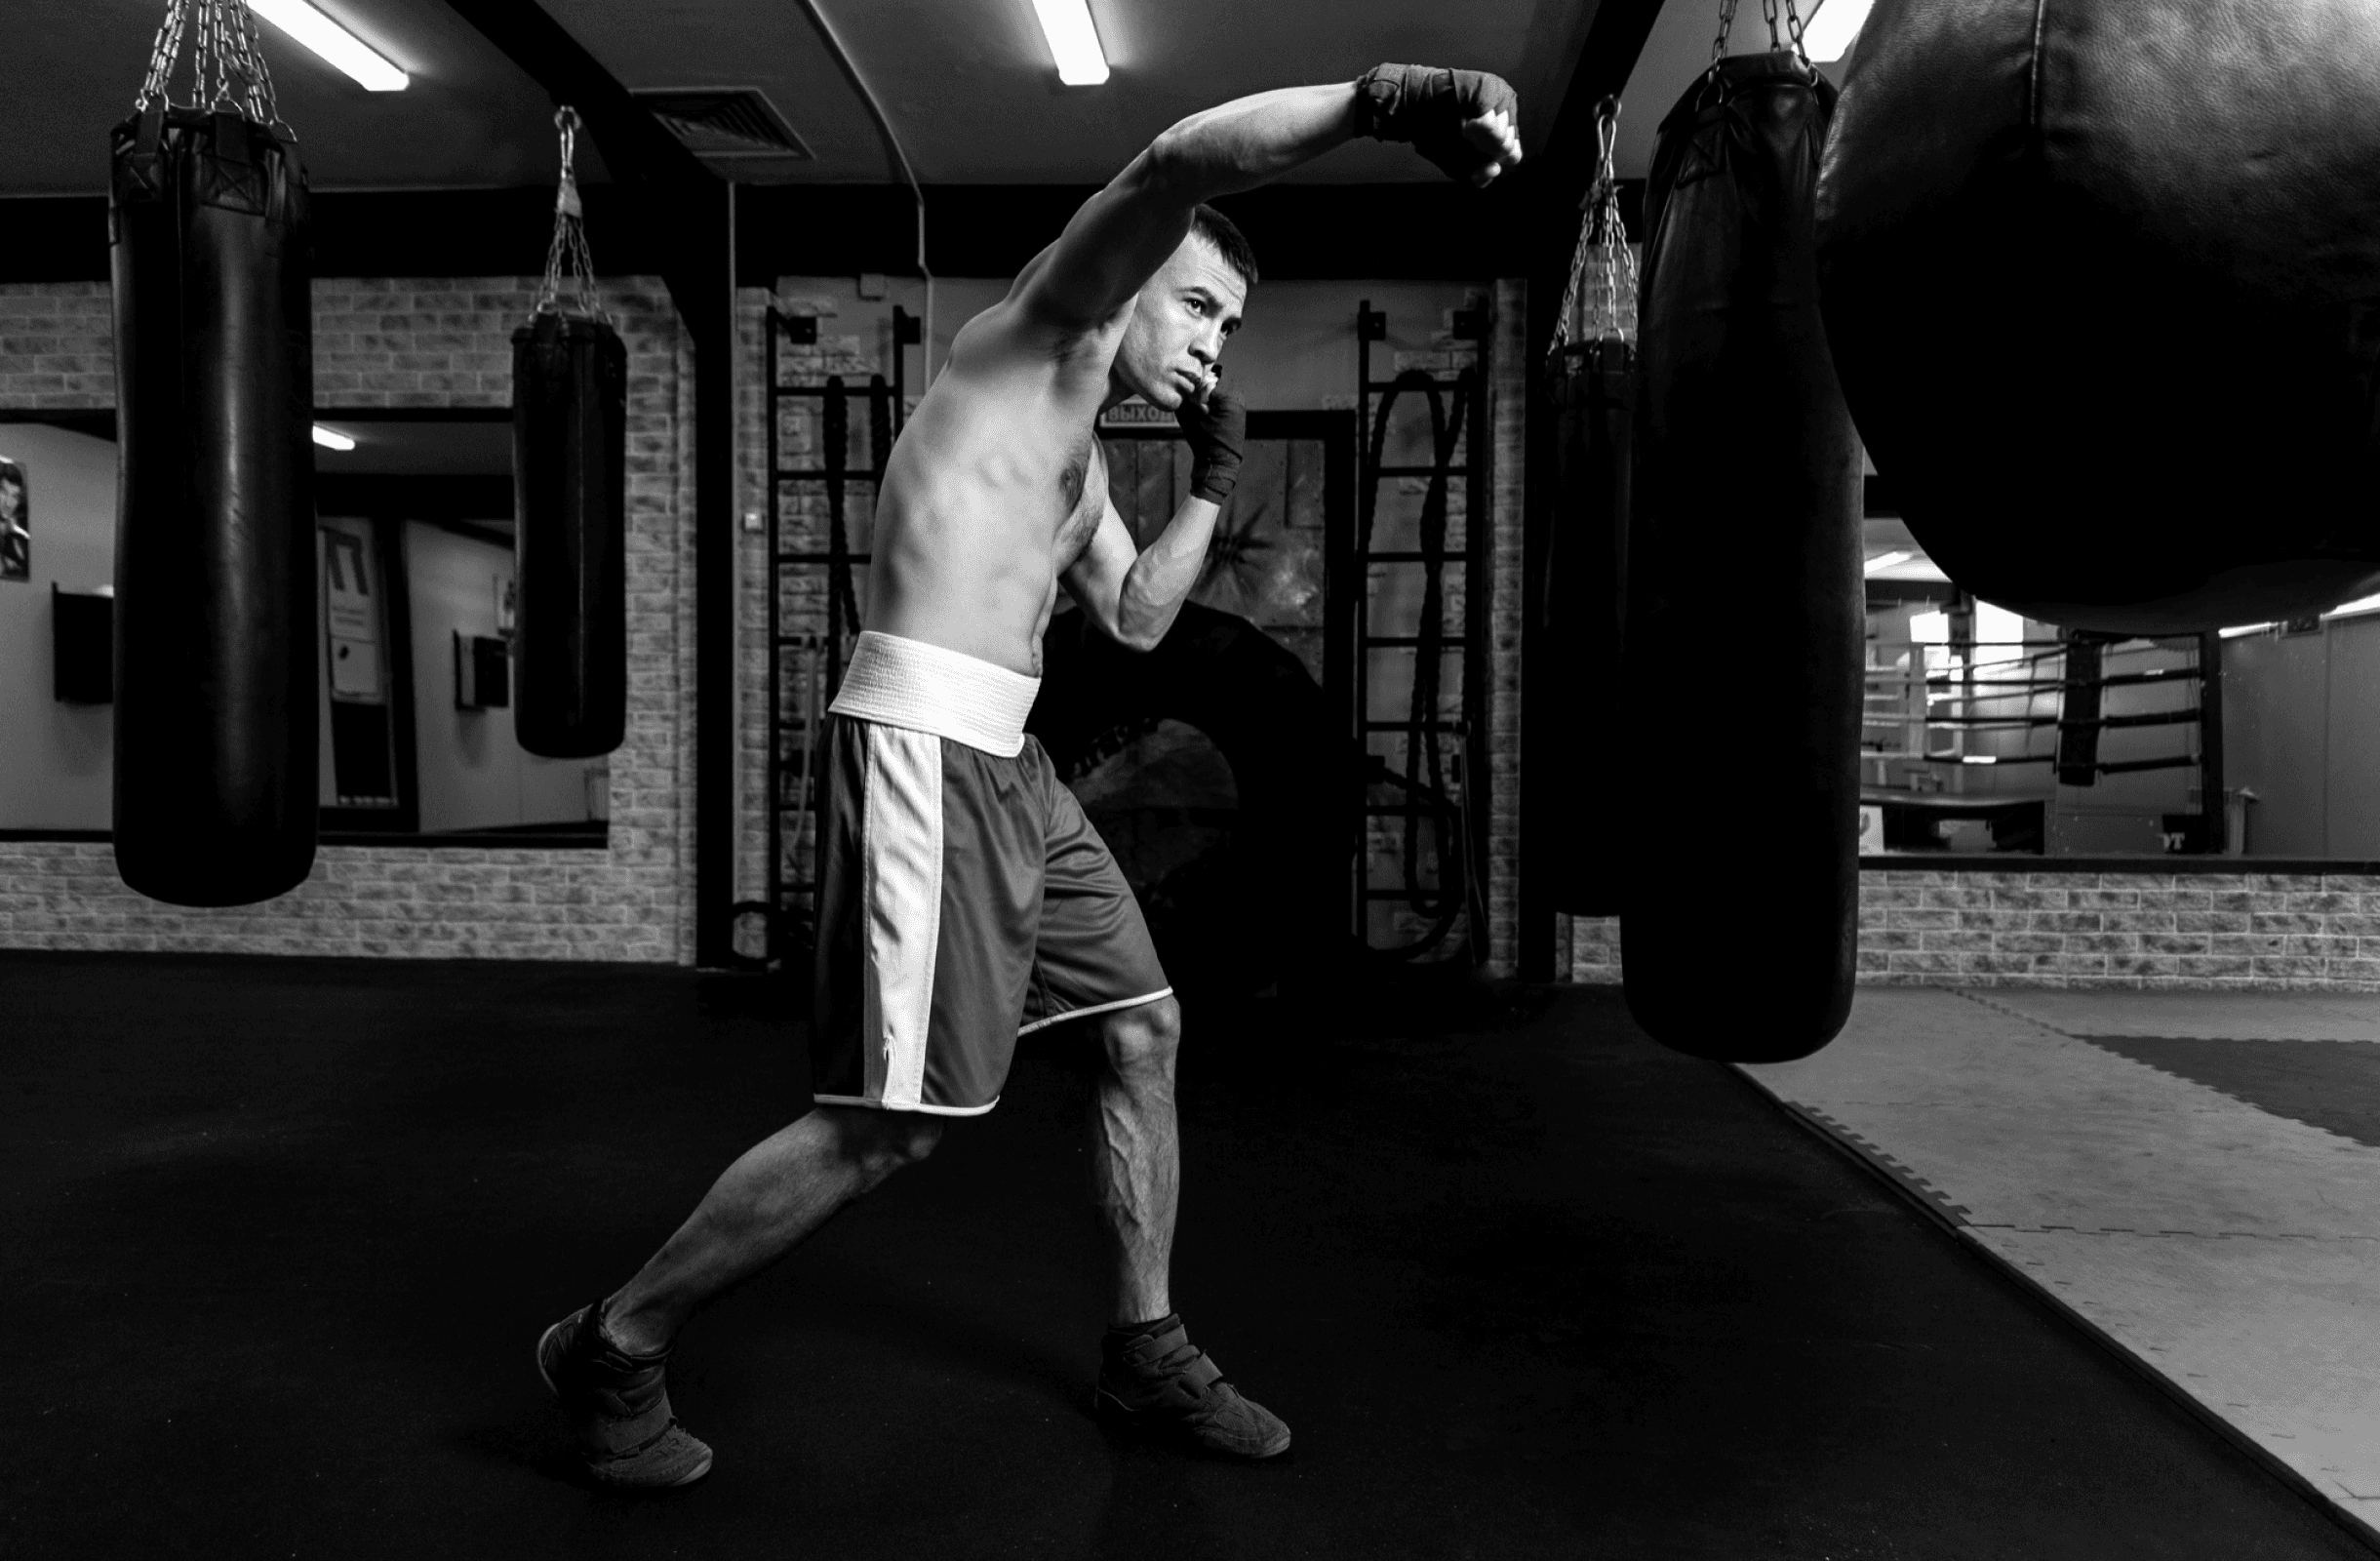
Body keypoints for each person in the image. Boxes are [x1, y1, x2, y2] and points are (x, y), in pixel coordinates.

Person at [536, 64, 1522, 1488]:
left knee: (1143, 1031)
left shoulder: (1080, 469)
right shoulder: (1033, 339)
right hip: (925, 746)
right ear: (1126, 283)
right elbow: (1179, 158)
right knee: (886, 1132)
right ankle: (613, 1342)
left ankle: (1145, 1354)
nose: (1212, 347)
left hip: (1012, 764)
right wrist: (1385, 100)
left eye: (1232, 330)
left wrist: (1205, 484)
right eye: (1198, 307)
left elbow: (1133, 621)